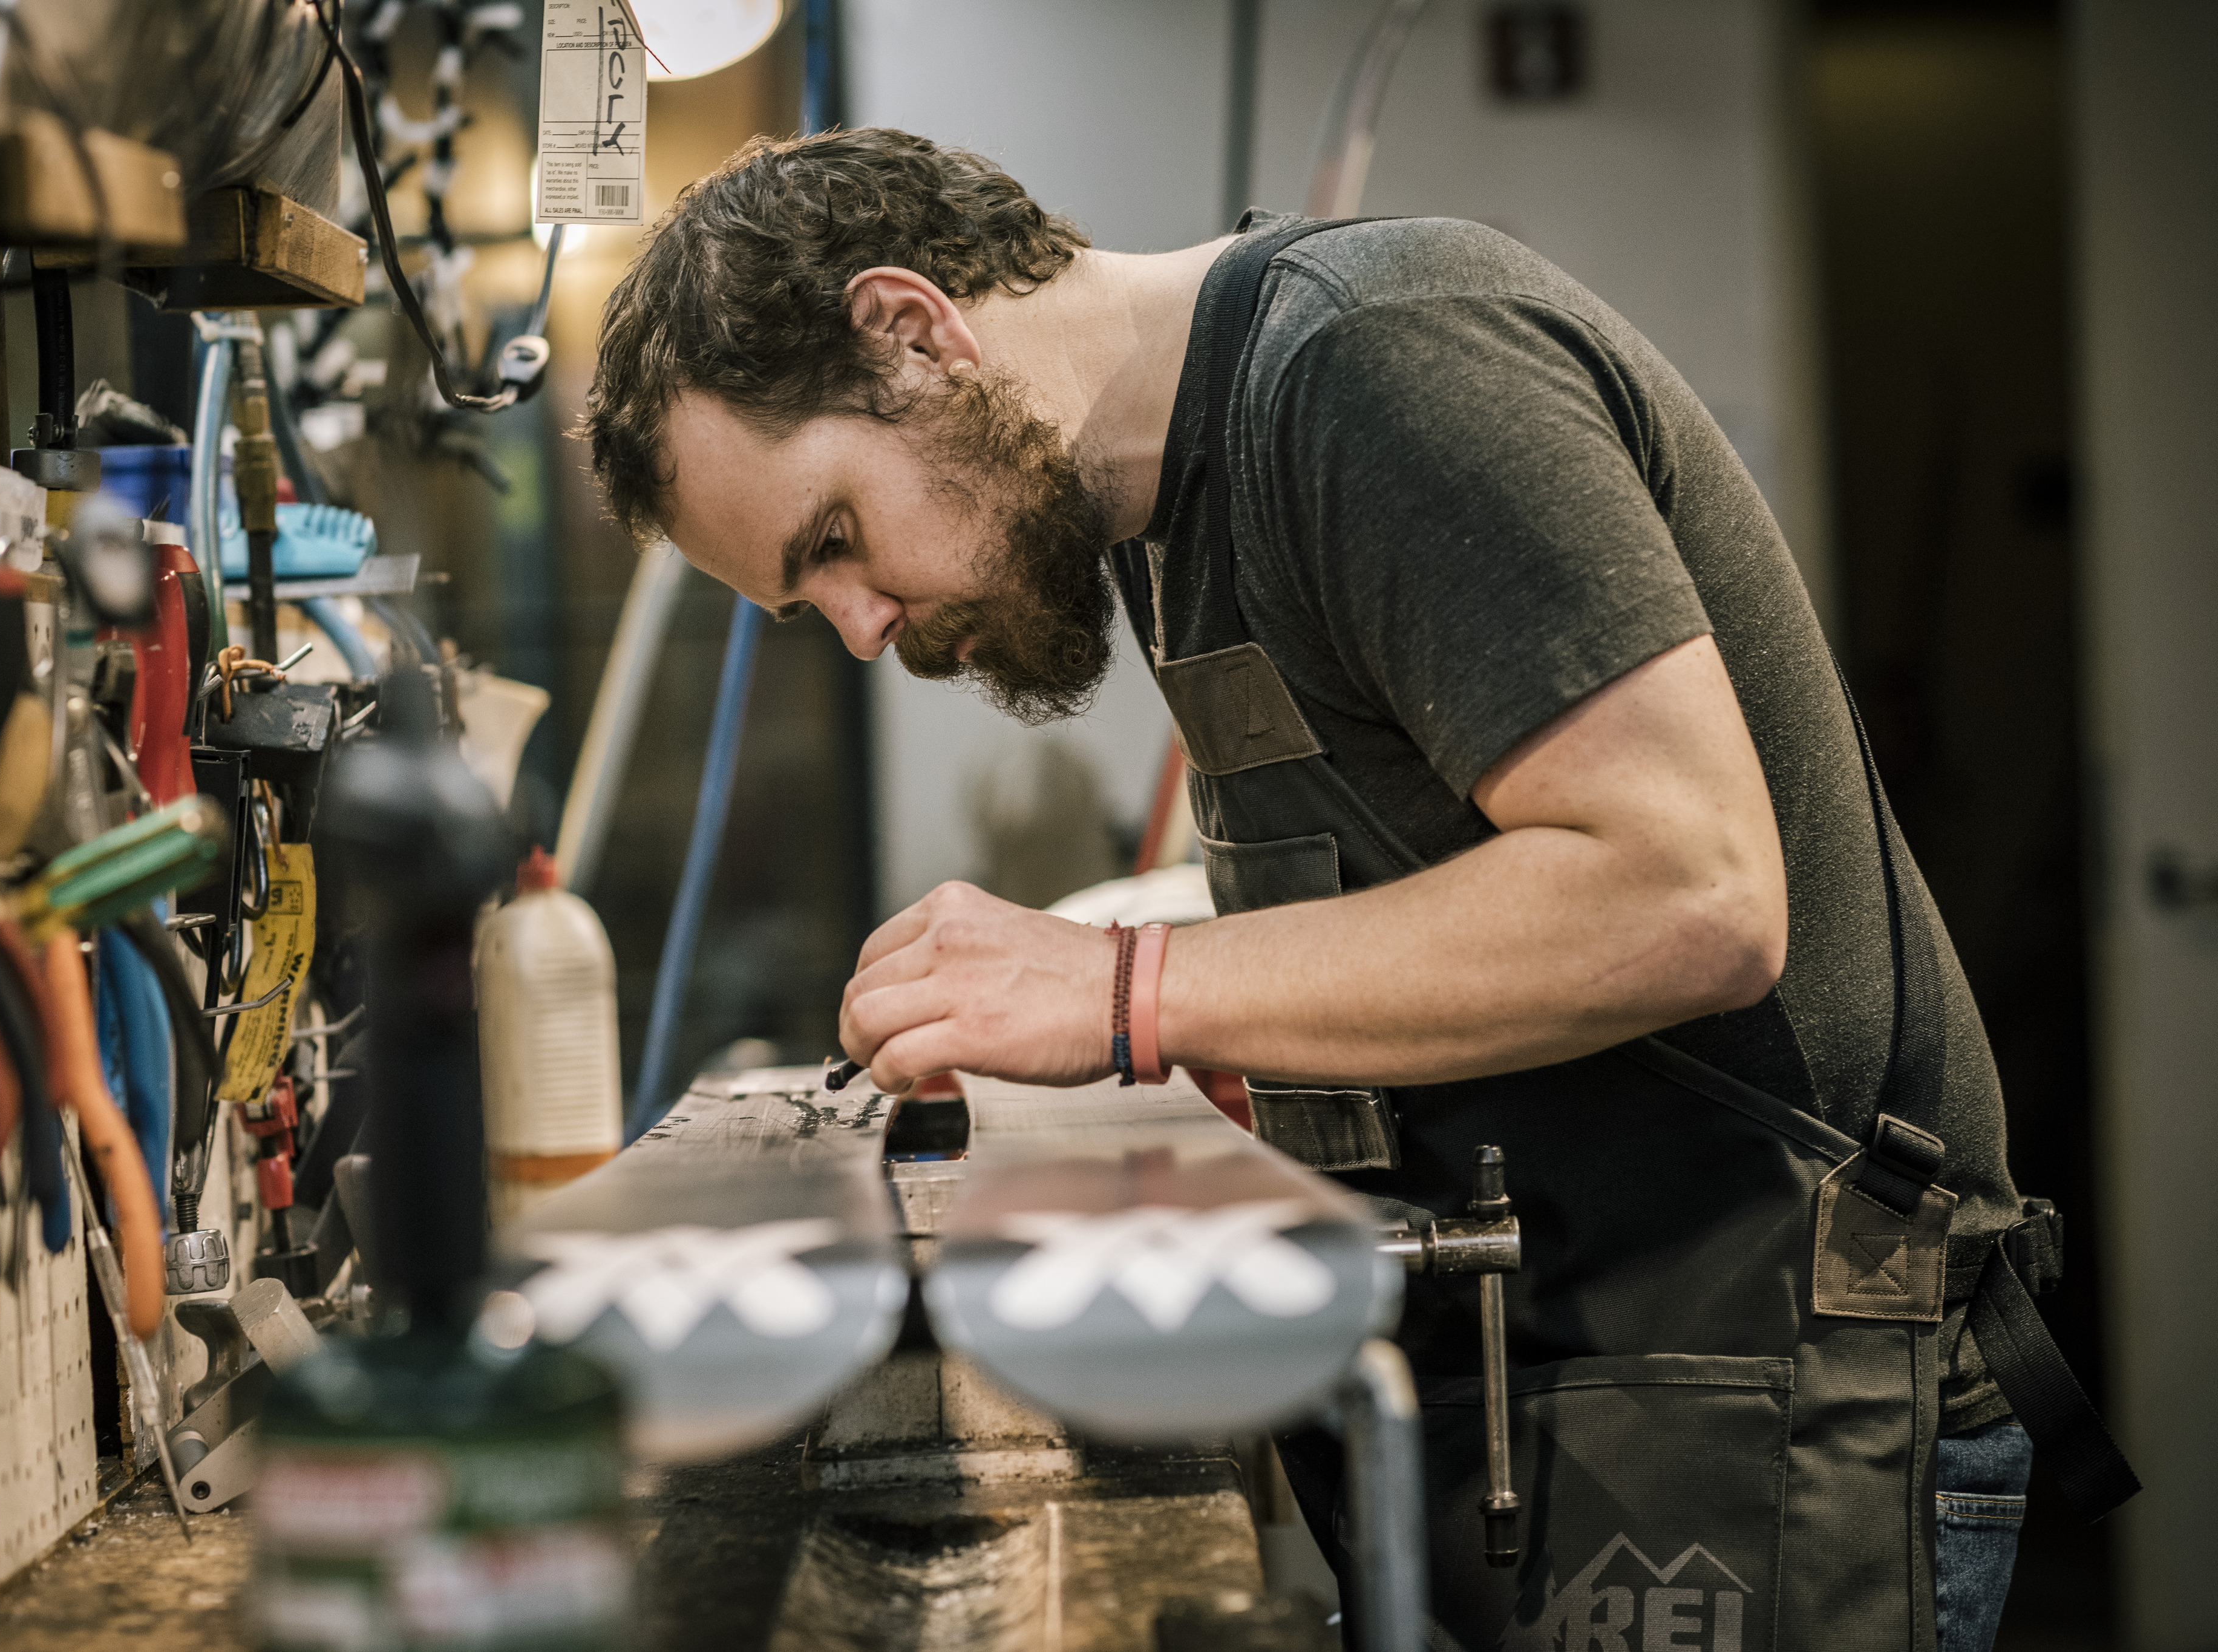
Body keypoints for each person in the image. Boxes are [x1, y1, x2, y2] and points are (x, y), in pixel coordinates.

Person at [580, 128, 2124, 1650]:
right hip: (1567, 1368)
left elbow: (1689, 893)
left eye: (836, 540)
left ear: (914, 333)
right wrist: (1159, 967)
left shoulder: (1371, 366)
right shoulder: (1166, 517)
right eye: (810, 604)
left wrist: (1118, 993)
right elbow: (1443, 873)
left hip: (1764, 1375)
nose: (858, 628)